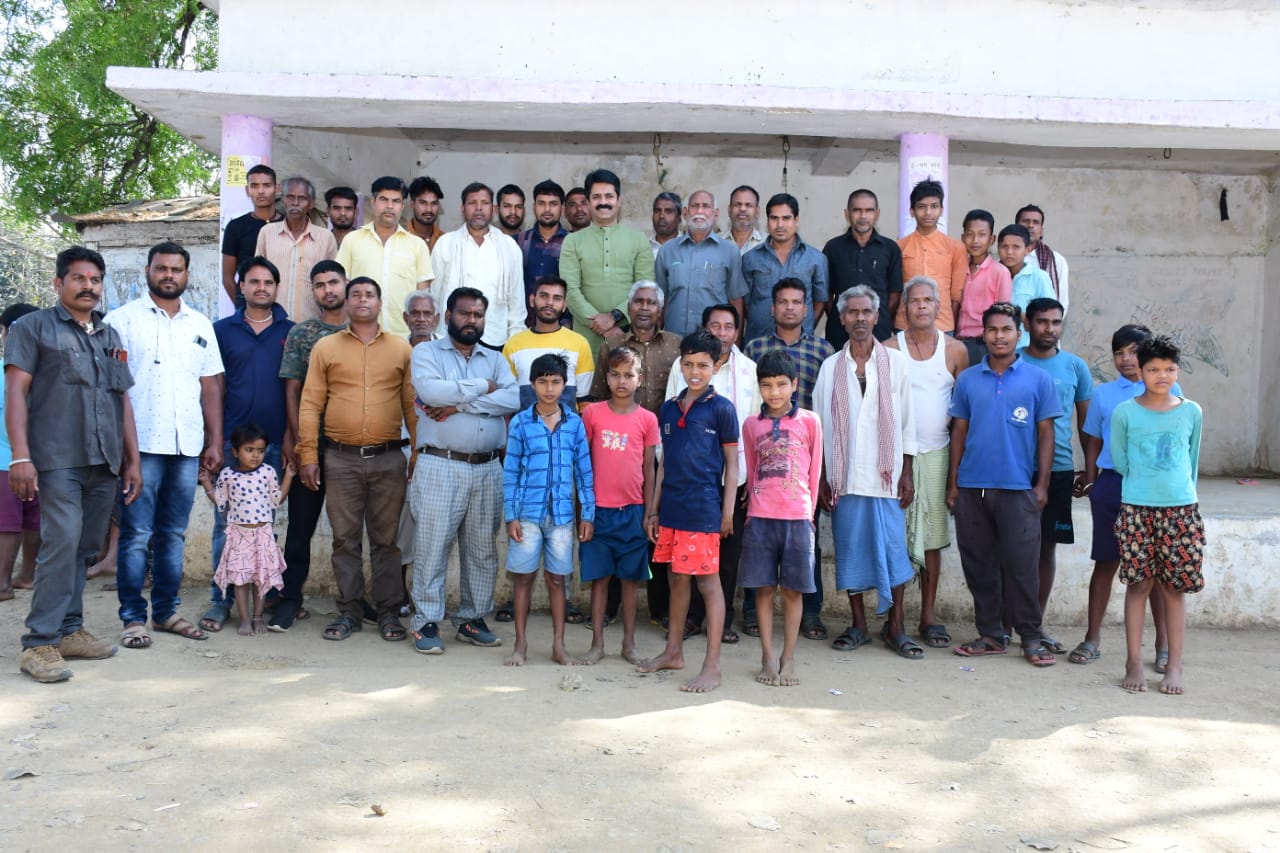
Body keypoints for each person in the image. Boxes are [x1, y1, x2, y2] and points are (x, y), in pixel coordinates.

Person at [7, 247, 140, 682]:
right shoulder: (33, 328)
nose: (88, 286)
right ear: (58, 283)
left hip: (104, 460)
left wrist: (132, 460)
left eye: (95, 279)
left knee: (85, 548)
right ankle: (38, 643)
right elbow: (15, 393)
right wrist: (20, 455)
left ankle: (68, 630)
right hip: (57, 458)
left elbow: (122, 401)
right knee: (61, 543)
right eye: (79, 278)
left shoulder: (109, 335)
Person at [106, 241, 223, 648]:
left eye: (176, 269)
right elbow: (116, 391)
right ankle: (132, 619)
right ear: (148, 271)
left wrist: (214, 441)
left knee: (173, 534)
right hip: (140, 447)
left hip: (186, 447)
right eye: (161, 268)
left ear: (187, 274)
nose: (168, 275)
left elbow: (210, 387)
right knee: (137, 534)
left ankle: (166, 612)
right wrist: (128, 456)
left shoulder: (200, 324)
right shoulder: (121, 321)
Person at [296, 276, 417, 643]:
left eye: (370, 295)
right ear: (347, 303)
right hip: (340, 459)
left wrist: (418, 452)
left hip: (388, 459)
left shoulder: (401, 349)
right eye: (356, 295)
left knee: (386, 541)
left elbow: (411, 405)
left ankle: (388, 613)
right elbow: (311, 402)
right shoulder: (326, 347)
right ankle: (349, 611)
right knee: (345, 540)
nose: (363, 300)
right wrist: (307, 454)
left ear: (380, 303)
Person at [946, 302, 1062, 666]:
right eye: (993, 330)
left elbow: (1046, 434)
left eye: (1006, 330)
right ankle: (992, 634)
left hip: (1018, 488)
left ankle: (1031, 636)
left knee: (1022, 566)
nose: (999, 336)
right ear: (983, 334)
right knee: (979, 565)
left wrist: (1042, 485)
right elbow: (959, 432)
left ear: (1019, 334)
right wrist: (953, 484)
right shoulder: (968, 380)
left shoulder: (1038, 380)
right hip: (973, 487)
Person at [408, 287, 520, 654]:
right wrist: (483, 388)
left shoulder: (495, 358)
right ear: (448, 316)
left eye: (478, 315)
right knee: (431, 547)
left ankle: (472, 619)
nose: (471, 320)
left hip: (487, 468)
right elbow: (431, 393)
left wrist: (459, 406)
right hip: (440, 464)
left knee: (482, 551)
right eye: (465, 313)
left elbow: (515, 397)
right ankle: (426, 621)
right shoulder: (426, 353)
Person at [814, 286, 920, 660]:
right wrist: (822, 477)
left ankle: (897, 626)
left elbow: (908, 421)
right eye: (852, 312)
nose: (859, 318)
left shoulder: (896, 363)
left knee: (893, 550)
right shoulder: (830, 367)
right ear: (841, 319)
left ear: (876, 317)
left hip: (886, 477)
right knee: (851, 549)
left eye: (866, 312)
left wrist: (907, 473)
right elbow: (820, 428)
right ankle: (858, 624)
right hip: (844, 478)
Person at [1070, 324, 1179, 669]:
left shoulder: (1169, 388)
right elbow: (1093, 440)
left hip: (1154, 489)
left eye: (1133, 351)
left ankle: (1163, 646)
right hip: (1113, 486)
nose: (1126, 359)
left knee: (1156, 569)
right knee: (1106, 562)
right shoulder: (1104, 394)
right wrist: (1091, 482)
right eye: (1119, 353)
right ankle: (1092, 638)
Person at [637, 330, 739, 693]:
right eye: (689, 364)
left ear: (716, 367)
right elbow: (664, 464)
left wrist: (727, 512)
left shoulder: (722, 409)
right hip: (672, 509)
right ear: (680, 364)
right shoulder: (668, 409)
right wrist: (653, 510)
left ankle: (712, 666)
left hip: (703, 509)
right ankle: (673, 651)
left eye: (703, 365)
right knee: (676, 578)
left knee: (708, 583)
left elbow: (732, 464)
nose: (695, 372)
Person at [200, 256, 294, 633]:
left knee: (265, 527)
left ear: (276, 287)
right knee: (226, 526)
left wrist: (290, 438)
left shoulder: (291, 332)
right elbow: (213, 387)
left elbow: (295, 391)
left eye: (268, 282)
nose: (261, 288)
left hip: (275, 443)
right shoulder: (221, 331)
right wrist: (214, 440)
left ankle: (262, 599)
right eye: (253, 281)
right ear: (241, 287)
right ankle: (219, 601)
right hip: (231, 444)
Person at [741, 279, 835, 641]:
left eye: (797, 302)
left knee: (806, 554)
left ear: (807, 308)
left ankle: (811, 614)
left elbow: (826, 406)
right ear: (772, 308)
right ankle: (752, 614)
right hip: (765, 471)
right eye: (783, 302)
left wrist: (815, 490)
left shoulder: (822, 349)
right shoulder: (755, 347)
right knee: (759, 560)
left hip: (800, 473)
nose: (790, 308)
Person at [586, 280, 682, 627]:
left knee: (655, 525)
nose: (644, 307)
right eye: (638, 301)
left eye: (650, 302)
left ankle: (658, 609)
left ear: (660, 309)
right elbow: (599, 394)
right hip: (617, 445)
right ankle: (609, 608)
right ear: (628, 308)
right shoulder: (612, 345)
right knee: (613, 531)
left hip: (663, 445)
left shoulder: (676, 346)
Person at [1113, 336, 1203, 696]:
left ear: (1177, 371)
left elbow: (1192, 461)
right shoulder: (1125, 413)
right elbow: (1121, 460)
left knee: (1174, 589)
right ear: (1141, 372)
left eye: (1169, 369)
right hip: (1137, 507)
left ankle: (1174, 665)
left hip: (1180, 509)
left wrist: (1177, 495)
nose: (1162, 375)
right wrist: (1144, 488)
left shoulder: (1191, 411)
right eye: (1153, 369)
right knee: (1138, 585)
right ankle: (1133, 661)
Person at [665, 304, 758, 643]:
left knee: (723, 562)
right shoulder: (678, 383)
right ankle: (688, 623)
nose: (722, 331)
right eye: (714, 325)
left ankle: (722, 627)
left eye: (728, 326)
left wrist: (746, 487)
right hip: (682, 488)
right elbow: (668, 437)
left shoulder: (748, 372)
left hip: (728, 484)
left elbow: (751, 432)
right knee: (681, 568)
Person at [885, 277, 968, 649]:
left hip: (938, 455)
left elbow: (962, 416)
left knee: (933, 540)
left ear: (938, 307)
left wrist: (954, 478)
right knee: (898, 538)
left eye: (927, 300)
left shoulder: (956, 351)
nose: (921, 306)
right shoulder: (890, 349)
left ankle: (928, 617)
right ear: (904, 308)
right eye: (914, 300)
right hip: (896, 457)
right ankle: (896, 618)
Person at [502, 353, 595, 666]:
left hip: (562, 518)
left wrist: (588, 515)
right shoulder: (520, 423)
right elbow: (511, 472)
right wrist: (511, 516)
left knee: (558, 580)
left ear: (565, 385)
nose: (549, 388)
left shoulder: (575, 424)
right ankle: (520, 644)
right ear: (532, 384)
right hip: (527, 516)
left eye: (555, 382)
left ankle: (559, 644)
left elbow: (584, 473)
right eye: (542, 382)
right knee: (523, 579)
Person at [271, 259, 349, 632]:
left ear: (346, 284)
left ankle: (354, 601)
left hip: (351, 450)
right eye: (319, 285)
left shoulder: (364, 331)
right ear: (313, 291)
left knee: (350, 533)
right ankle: (289, 599)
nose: (327, 290)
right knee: (300, 529)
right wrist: (301, 441)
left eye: (333, 282)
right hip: (312, 447)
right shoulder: (303, 334)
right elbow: (292, 390)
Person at [741, 350, 823, 686]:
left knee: (793, 591)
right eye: (767, 385)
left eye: (781, 384)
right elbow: (751, 469)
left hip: (798, 517)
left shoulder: (810, 421)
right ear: (759, 387)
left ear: (794, 384)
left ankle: (788, 658)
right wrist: (751, 510)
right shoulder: (751, 425)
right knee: (763, 590)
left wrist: (809, 515)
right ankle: (767, 656)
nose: (774, 392)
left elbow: (815, 471)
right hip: (761, 517)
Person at [1019, 297, 1092, 654]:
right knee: (1011, 549)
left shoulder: (1075, 367)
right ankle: (1002, 625)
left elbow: (1087, 424)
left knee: (1046, 548)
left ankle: (1035, 624)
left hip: (1060, 469)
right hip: (1014, 469)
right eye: (1042, 321)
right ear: (1027, 323)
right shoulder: (1012, 360)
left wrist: (1090, 469)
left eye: (1056, 322)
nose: (1049, 329)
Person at [577, 346, 658, 665]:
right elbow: (583, 465)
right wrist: (584, 511)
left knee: (629, 581)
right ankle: (597, 643)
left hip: (633, 512)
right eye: (615, 374)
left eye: (628, 375)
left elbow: (649, 469)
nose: (621, 381)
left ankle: (629, 643)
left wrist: (649, 513)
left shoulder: (648, 419)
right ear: (606, 377)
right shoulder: (592, 414)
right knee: (599, 581)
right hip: (598, 512)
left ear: (640, 379)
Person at [198, 423, 294, 637]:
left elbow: (276, 500)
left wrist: (288, 476)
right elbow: (220, 502)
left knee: (260, 578)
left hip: (262, 535)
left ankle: (258, 616)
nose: (255, 455)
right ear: (235, 452)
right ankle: (243, 618)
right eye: (249, 450)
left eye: (260, 450)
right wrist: (206, 483)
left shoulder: (268, 472)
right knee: (240, 581)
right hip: (239, 536)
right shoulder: (227, 475)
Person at [561, 168, 655, 357]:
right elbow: (570, 290)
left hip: (628, 333)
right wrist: (601, 325)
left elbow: (644, 288)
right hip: (585, 339)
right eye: (596, 197)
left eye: (609, 196)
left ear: (619, 200)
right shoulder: (572, 241)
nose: (603, 202)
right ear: (588, 202)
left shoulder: (638, 240)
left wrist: (615, 317)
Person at [335, 176, 434, 337]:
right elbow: (341, 288)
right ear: (373, 202)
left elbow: (422, 297)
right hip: (360, 335)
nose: (389, 206)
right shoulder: (352, 240)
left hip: (403, 336)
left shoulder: (417, 245)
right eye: (384, 199)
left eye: (396, 201)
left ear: (403, 206)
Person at [431, 182, 526, 348]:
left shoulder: (509, 247)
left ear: (493, 209)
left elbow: (516, 302)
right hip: (451, 336)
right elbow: (434, 295)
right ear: (462, 209)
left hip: (495, 338)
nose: (479, 208)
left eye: (485, 203)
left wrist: (514, 343)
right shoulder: (445, 243)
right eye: (472, 203)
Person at [655, 189, 747, 337]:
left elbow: (735, 300)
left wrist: (736, 341)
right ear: (685, 212)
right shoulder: (667, 251)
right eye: (695, 206)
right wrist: (657, 337)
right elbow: (660, 300)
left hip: (714, 340)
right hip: (673, 340)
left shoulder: (730, 251)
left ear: (715, 214)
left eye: (706, 206)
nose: (699, 211)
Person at [740, 193, 829, 344]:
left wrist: (801, 327)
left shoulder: (816, 259)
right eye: (774, 218)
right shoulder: (750, 259)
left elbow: (820, 301)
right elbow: (745, 302)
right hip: (759, 342)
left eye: (786, 218)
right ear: (767, 221)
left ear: (796, 220)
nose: (780, 225)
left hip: (801, 345)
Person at [823, 188, 903, 347]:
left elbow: (894, 294)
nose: (863, 216)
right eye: (857, 210)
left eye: (869, 210)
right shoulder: (833, 248)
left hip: (878, 331)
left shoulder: (890, 248)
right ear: (847, 214)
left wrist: (875, 316)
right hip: (839, 331)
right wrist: (843, 316)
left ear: (877, 214)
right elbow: (826, 293)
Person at [253, 176, 338, 322]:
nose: (295, 203)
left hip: (311, 325)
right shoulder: (267, 233)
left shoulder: (325, 238)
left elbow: (334, 283)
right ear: (283, 200)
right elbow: (257, 277)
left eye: (302, 198)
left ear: (311, 203)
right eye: (290, 197)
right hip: (272, 323)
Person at [502, 275, 594, 409]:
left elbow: (585, 401)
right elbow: (506, 398)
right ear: (532, 300)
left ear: (565, 305)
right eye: (544, 296)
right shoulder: (514, 344)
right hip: (524, 422)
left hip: (568, 423)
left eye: (557, 298)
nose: (550, 302)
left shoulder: (579, 344)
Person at [0, 303, 41, 601]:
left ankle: (2, 583)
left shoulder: (6, 370)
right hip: (41, 459)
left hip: (6, 459)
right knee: (32, 518)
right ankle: (27, 575)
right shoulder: (46, 372)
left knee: (7, 522)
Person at [893, 180, 967, 334]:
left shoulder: (955, 247)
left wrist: (950, 326)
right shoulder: (899, 247)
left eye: (934, 206)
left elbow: (956, 295)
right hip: (905, 324)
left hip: (943, 325)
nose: (928, 212)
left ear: (941, 210)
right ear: (912, 211)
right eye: (921, 207)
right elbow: (895, 291)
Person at [956, 209, 1011, 366]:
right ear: (963, 237)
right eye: (970, 234)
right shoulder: (958, 268)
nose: (975, 240)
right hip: (957, 341)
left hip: (983, 344)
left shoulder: (999, 272)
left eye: (982, 235)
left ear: (992, 239)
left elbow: (1002, 313)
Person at [221, 164, 281, 304]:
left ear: (277, 188)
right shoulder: (236, 227)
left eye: (266, 185)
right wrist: (242, 307)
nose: (261, 191)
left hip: (284, 302)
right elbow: (227, 278)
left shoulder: (287, 224)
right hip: (249, 304)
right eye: (254, 186)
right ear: (247, 190)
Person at [515, 179, 569, 327]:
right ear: (534, 207)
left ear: (562, 208)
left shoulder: (572, 243)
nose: (547, 209)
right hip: (523, 326)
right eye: (541, 203)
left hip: (562, 327)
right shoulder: (518, 242)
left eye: (553, 204)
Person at [997, 224, 1054, 348]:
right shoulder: (991, 274)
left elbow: (1050, 314)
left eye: (1016, 247)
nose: (1009, 252)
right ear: (998, 248)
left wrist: (1023, 316)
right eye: (1004, 246)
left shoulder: (1039, 277)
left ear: (1027, 249)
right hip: (995, 347)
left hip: (1027, 348)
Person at [1016, 204, 1070, 313]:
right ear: (1016, 227)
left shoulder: (1056, 261)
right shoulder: (1003, 261)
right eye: (1026, 221)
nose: (1030, 225)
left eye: (1036, 222)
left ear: (1041, 231)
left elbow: (1062, 302)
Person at [406, 176, 446, 251]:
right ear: (412, 204)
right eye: (423, 203)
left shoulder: (445, 241)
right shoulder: (399, 237)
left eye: (433, 203)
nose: (429, 209)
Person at [725, 185, 765, 254]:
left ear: (757, 211)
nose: (742, 209)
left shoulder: (769, 243)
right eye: (737, 204)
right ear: (729, 210)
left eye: (748, 205)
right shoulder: (715, 242)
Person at [650, 191, 682, 257]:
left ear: (679, 218)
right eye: (657, 211)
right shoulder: (643, 248)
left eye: (668, 211)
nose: (661, 216)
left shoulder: (688, 248)